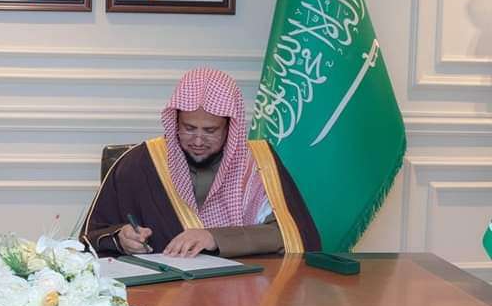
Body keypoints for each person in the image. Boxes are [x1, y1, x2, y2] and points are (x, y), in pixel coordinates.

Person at [82, 67, 319, 258]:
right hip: (164, 295)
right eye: (188, 128)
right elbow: (90, 238)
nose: (197, 141)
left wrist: (214, 237)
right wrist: (121, 238)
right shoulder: (139, 164)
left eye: (210, 131)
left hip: (244, 291)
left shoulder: (258, 164)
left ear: (230, 128)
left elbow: (291, 234)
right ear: (175, 122)